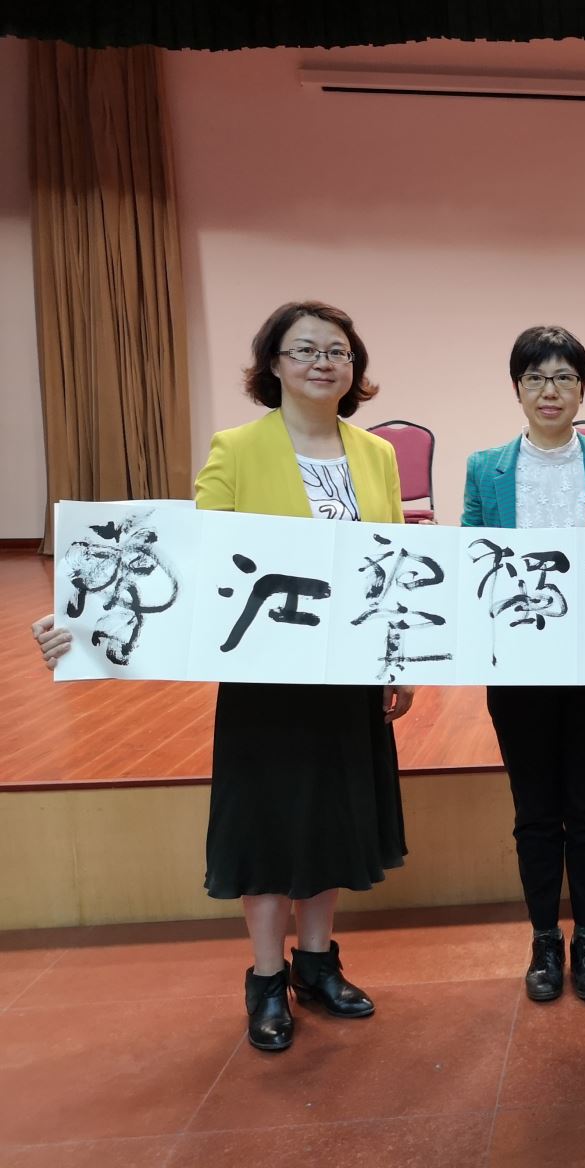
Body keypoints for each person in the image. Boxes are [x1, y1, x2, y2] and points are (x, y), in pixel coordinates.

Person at [33, 300, 413, 1053]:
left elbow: (394, 564)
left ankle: (316, 964)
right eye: (304, 349)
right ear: (273, 364)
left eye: (337, 351)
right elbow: (187, 555)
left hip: (345, 670)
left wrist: (395, 659)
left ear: (354, 368)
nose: (322, 362)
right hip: (263, 672)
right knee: (265, 819)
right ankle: (267, 979)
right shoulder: (236, 449)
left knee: (331, 814)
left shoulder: (376, 455)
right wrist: (80, 619)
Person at [462, 325, 585, 1003]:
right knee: (534, 809)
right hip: (518, 662)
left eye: (564, 377)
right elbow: (471, 559)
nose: (550, 391)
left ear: (583, 390)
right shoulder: (485, 467)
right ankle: (544, 938)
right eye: (536, 378)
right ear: (517, 388)